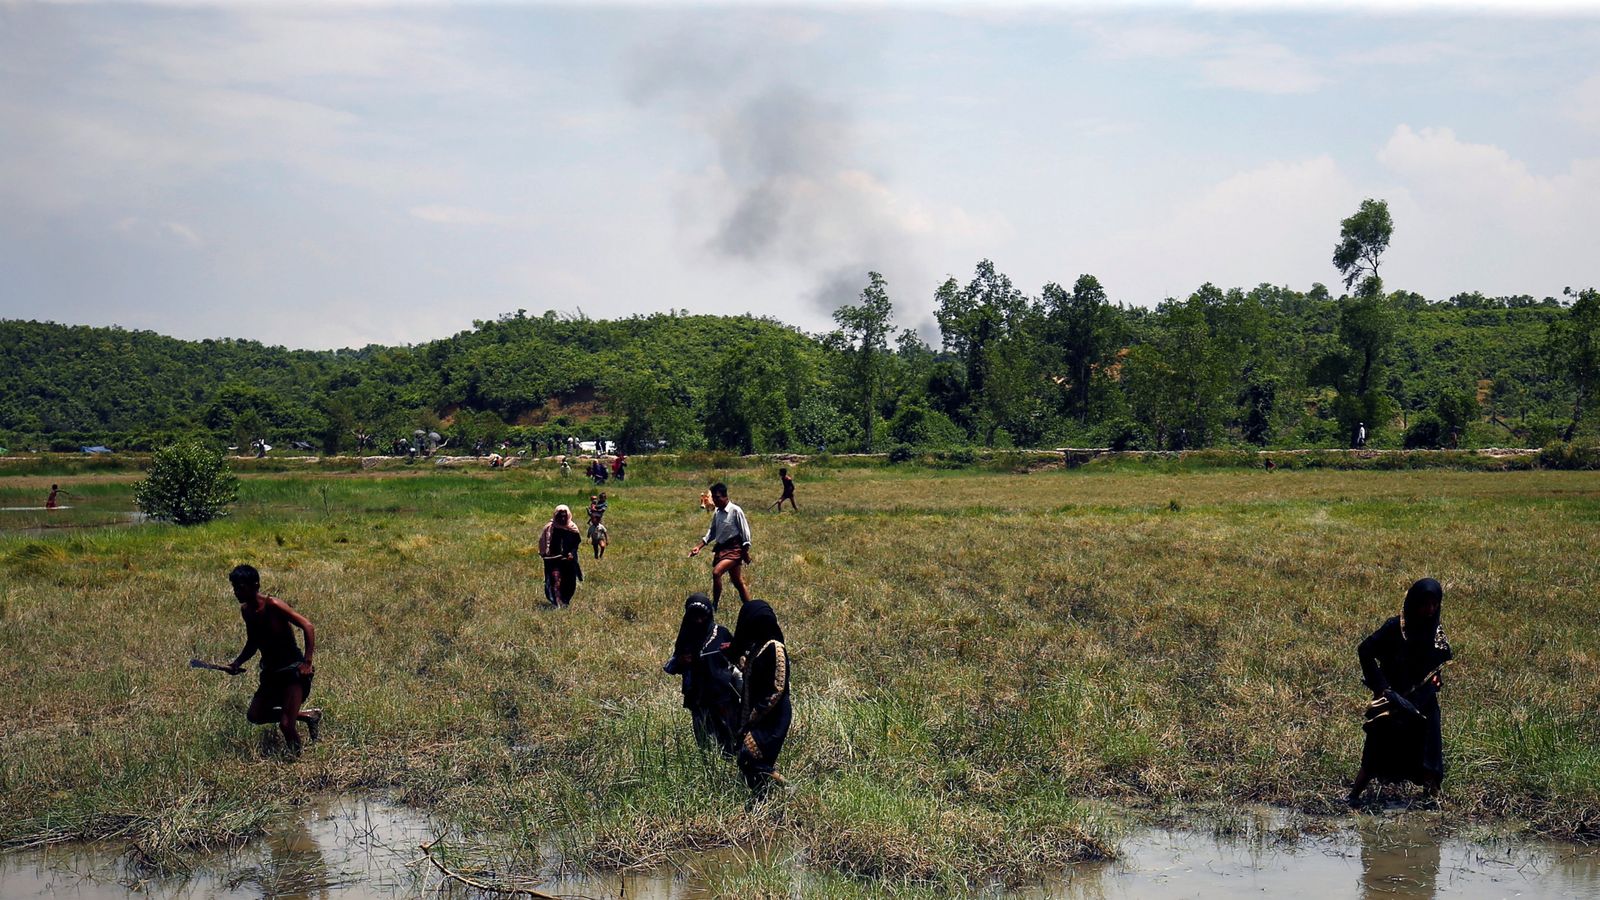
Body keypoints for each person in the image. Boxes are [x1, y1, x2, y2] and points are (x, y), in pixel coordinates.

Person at [1348, 578, 1453, 807]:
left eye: (1435, 604)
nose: (1430, 610)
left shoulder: (1436, 635)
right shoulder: (1394, 628)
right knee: (1377, 748)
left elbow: (1436, 672)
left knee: (1428, 751)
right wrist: (1382, 688)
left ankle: (1433, 801)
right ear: (1414, 602)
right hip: (1392, 699)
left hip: (1422, 702)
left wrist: (1427, 691)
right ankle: (1354, 796)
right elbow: (1365, 650)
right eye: (1425, 604)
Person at [218, 565, 322, 753]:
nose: (236, 592)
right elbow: (253, 641)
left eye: (240, 587)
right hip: (271, 673)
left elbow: (308, 626)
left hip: (292, 671)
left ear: (255, 585)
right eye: (234, 588)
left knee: (285, 725)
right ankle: (308, 716)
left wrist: (307, 662)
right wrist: (237, 662)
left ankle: (296, 761)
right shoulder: (246, 611)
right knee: (255, 715)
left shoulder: (273, 605)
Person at [663, 593, 741, 754]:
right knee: (706, 741)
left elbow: (738, 657)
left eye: (702, 616)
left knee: (731, 735)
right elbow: (671, 666)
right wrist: (681, 661)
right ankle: (712, 769)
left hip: (723, 695)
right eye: (694, 616)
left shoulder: (721, 633)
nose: (698, 620)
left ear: (709, 614)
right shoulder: (686, 636)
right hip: (698, 697)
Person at [731, 599, 791, 798]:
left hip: (773, 716)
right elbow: (750, 673)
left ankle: (786, 789)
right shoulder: (759, 646)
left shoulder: (775, 647)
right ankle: (763, 797)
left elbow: (777, 688)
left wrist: (754, 715)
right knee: (747, 759)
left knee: (750, 757)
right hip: (759, 714)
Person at [689, 483, 752, 610]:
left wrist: (744, 553)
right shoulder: (717, 512)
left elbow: (746, 535)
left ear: (725, 497)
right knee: (738, 582)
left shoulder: (735, 511)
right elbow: (712, 532)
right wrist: (699, 546)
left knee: (716, 572)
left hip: (735, 549)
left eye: (717, 498)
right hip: (722, 548)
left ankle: (714, 605)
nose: (715, 501)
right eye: (714, 498)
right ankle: (750, 607)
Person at [538, 504, 583, 606]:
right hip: (553, 559)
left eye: (564, 516)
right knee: (555, 580)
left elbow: (576, 544)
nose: (562, 518)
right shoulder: (550, 528)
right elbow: (543, 542)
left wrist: (572, 553)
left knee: (569, 581)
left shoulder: (572, 528)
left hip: (568, 560)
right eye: (560, 516)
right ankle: (556, 602)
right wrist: (545, 553)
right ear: (555, 516)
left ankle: (565, 600)